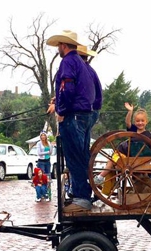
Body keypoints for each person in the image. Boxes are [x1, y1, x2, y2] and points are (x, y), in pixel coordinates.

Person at [46, 30, 96, 212]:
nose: (58, 48)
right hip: (83, 114)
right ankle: (83, 195)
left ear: (64, 46)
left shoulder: (67, 62)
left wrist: (61, 110)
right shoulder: (81, 64)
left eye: (59, 45)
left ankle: (82, 199)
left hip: (73, 116)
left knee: (74, 158)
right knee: (81, 156)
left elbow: (67, 89)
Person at [93, 104, 150, 187]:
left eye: (142, 121)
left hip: (133, 158)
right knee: (112, 160)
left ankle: (101, 177)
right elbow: (127, 122)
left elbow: (148, 149)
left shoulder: (147, 135)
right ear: (135, 122)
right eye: (138, 121)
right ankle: (103, 178)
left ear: (146, 122)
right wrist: (130, 111)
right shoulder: (134, 129)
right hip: (124, 154)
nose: (140, 123)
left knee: (112, 161)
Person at [77, 45, 103, 154]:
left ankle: (80, 166)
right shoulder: (90, 70)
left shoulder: (83, 71)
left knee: (79, 143)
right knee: (85, 141)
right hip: (94, 109)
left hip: (87, 110)